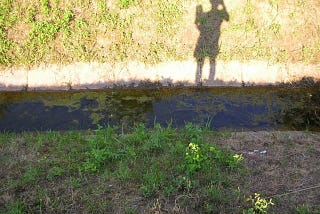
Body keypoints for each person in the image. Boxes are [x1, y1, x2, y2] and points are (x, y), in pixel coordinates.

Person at [194, 0, 229, 86]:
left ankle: (203, 81)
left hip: (208, 39)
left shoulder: (214, 14)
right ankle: (205, 81)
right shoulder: (213, 14)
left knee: (208, 59)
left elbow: (227, 18)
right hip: (208, 39)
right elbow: (227, 18)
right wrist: (223, 5)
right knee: (208, 59)